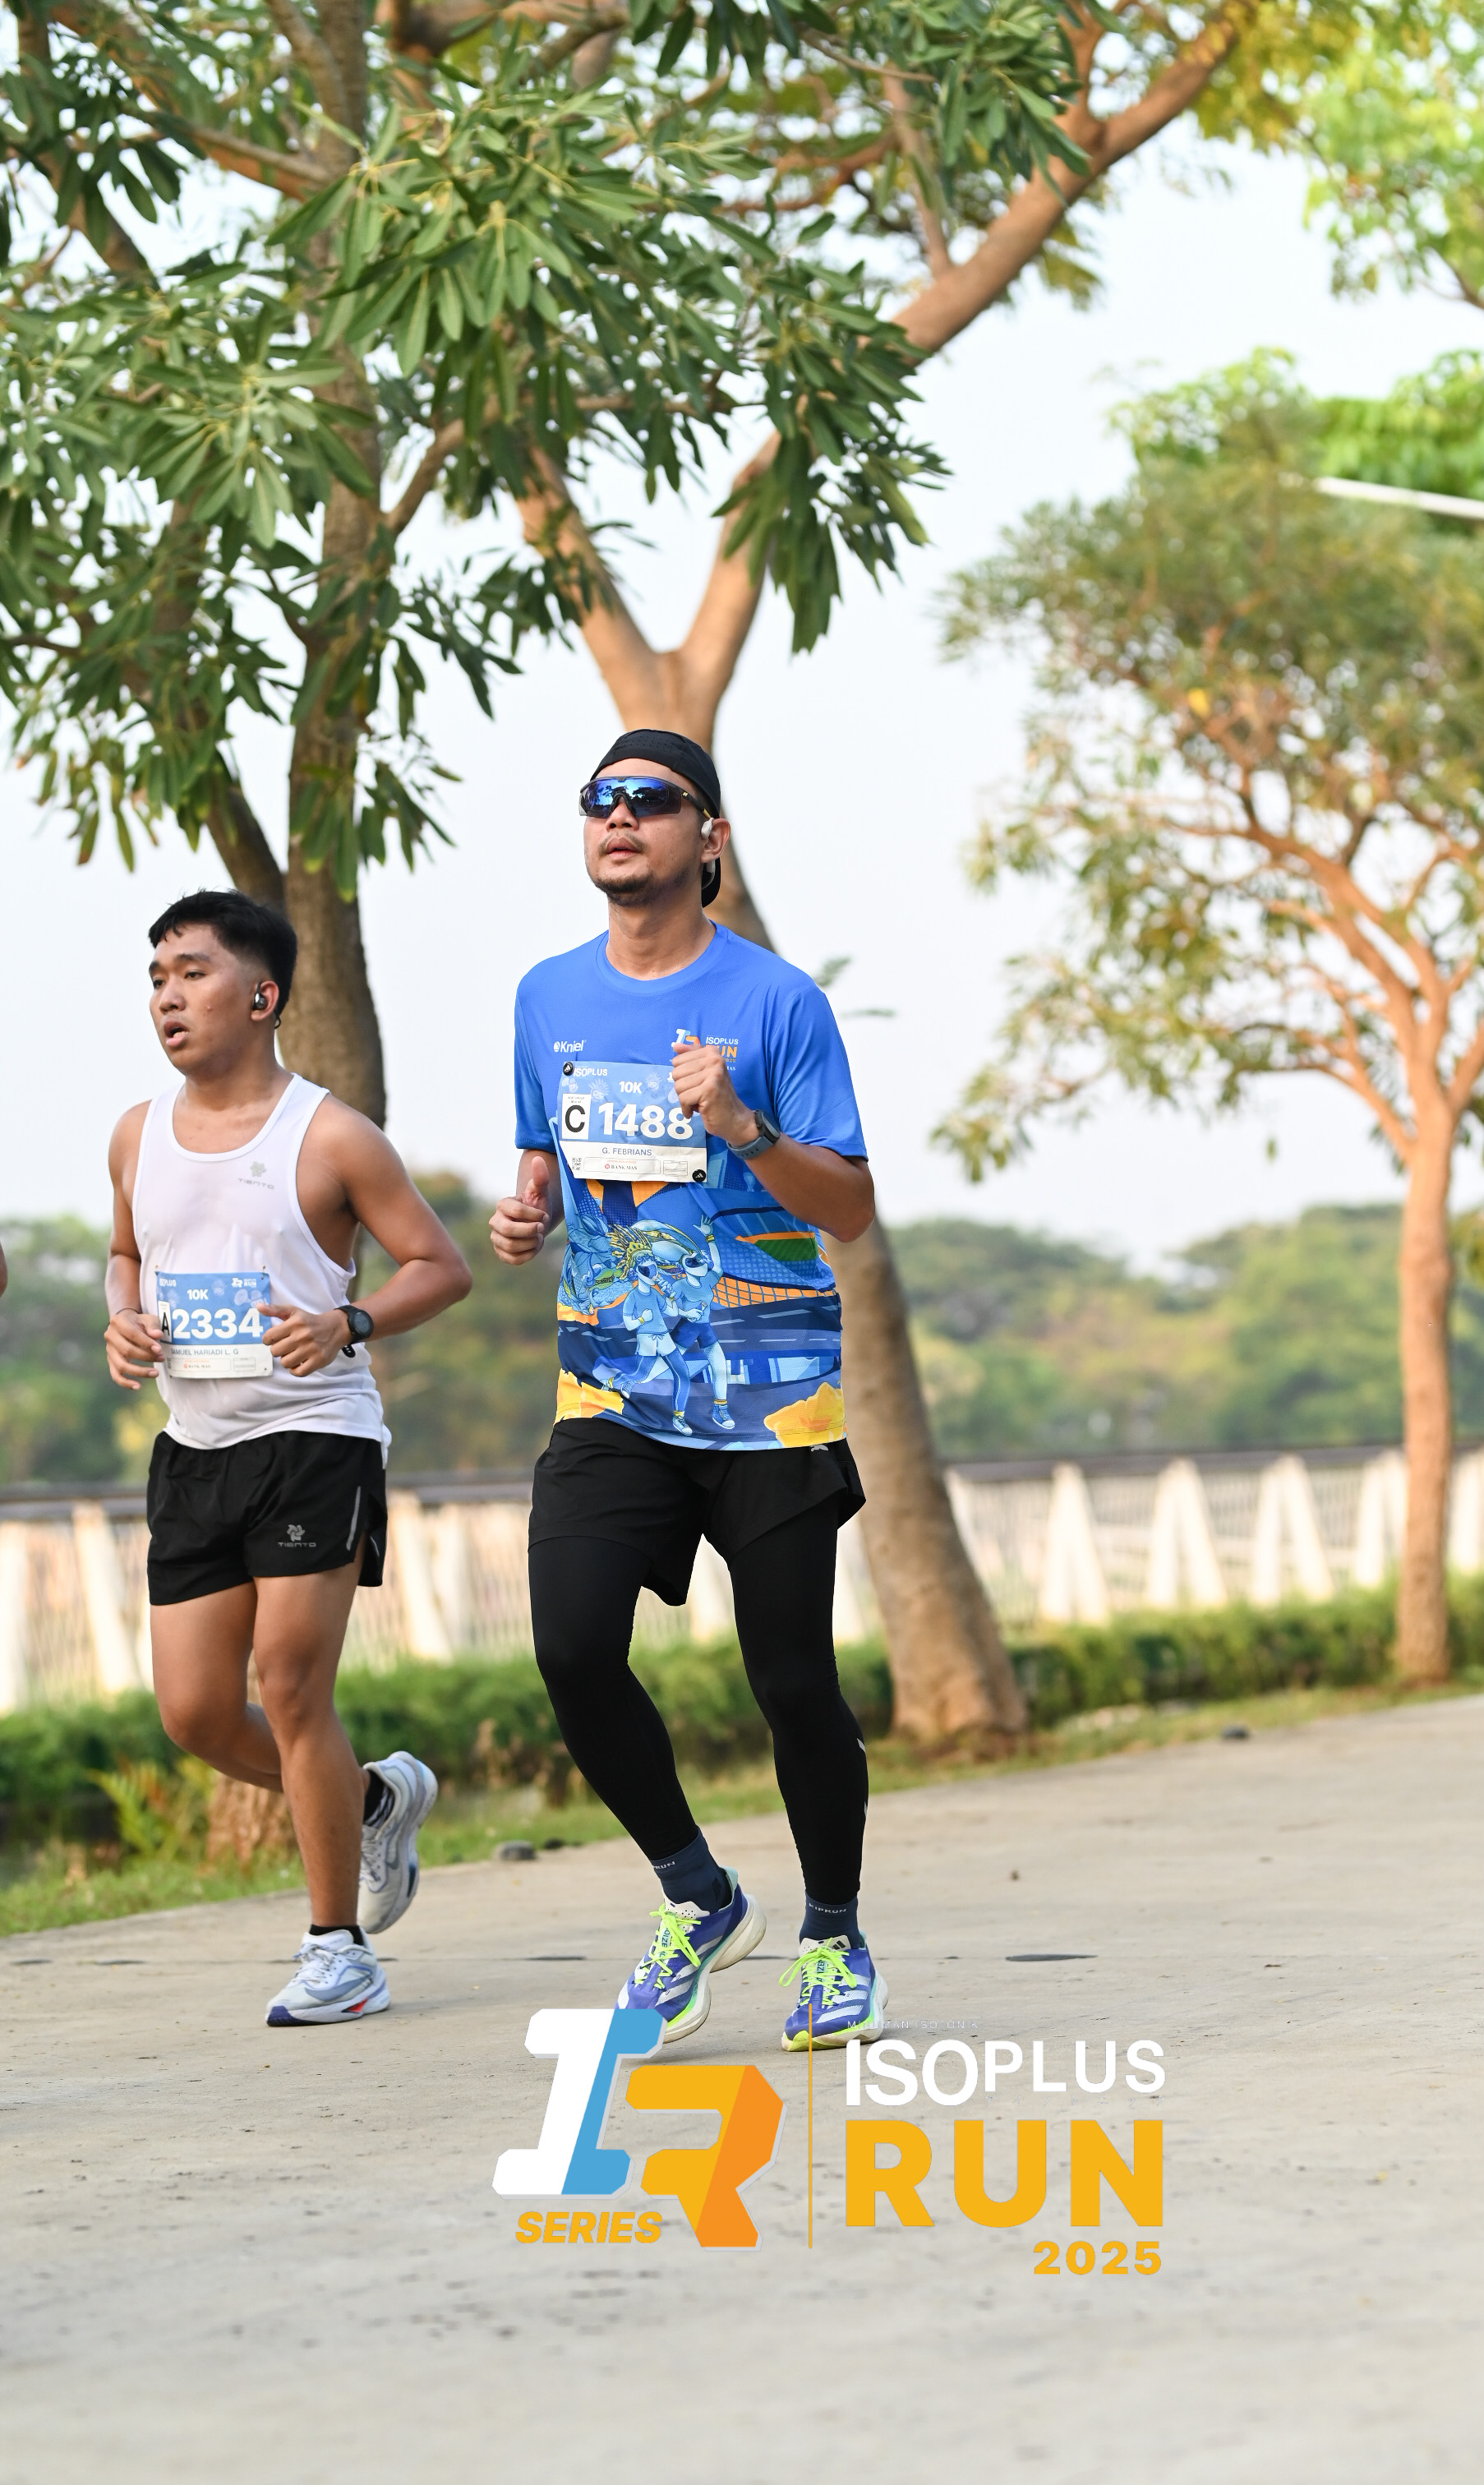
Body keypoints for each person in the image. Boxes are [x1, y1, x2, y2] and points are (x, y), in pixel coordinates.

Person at [491, 728, 885, 2051]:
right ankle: (699, 1896)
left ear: (708, 839)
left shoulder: (778, 1003)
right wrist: (529, 1212)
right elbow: (549, 1165)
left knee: (792, 1682)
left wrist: (744, 1127)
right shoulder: (546, 997)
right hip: (612, 1391)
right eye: (599, 800)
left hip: (770, 1398)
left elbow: (850, 1208)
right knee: (571, 1647)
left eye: (651, 801)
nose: (619, 818)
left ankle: (833, 1935)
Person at [104, 891, 472, 2026]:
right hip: (195, 1447)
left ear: (262, 997)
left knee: (291, 1685)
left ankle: (338, 1951)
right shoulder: (136, 1134)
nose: (168, 997)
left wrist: (348, 1322)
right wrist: (123, 1318)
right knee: (196, 1714)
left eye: (193, 973)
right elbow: (126, 1254)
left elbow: (439, 1266)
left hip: (315, 1437)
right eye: (158, 977)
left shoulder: (331, 1135)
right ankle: (373, 1802)